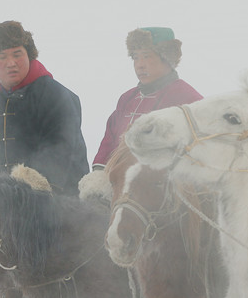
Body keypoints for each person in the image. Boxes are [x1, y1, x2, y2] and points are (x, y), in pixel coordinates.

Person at [0, 20, 89, 195]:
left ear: (29, 55)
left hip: (58, 203)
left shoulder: (54, 94)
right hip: (2, 204)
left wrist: (25, 189)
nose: (11, 63)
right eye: (2, 56)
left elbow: (60, 149)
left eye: (17, 54)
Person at [79, 27, 201, 200]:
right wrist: (100, 172)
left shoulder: (188, 99)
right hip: (116, 185)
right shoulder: (128, 98)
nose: (139, 64)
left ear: (167, 59)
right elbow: (110, 138)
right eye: (135, 57)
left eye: (146, 56)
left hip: (161, 197)